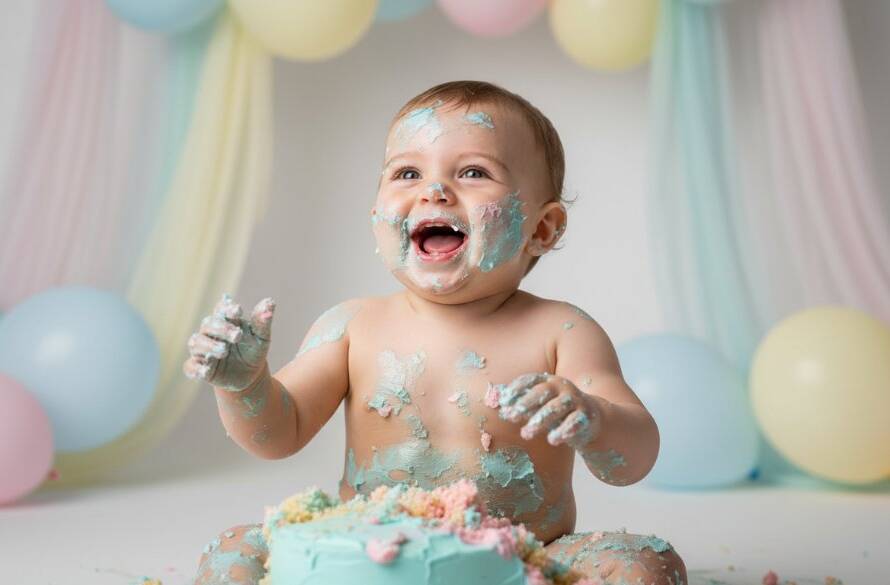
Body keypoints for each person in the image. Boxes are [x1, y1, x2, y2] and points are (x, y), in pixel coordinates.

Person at [183, 80, 687, 585]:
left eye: (473, 172)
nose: (434, 190)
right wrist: (244, 385)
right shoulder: (352, 325)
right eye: (407, 172)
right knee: (233, 551)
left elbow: (633, 461)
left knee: (643, 562)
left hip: (521, 561)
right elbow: (278, 434)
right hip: (364, 559)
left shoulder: (562, 331)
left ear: (543, 228)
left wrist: (593, 417)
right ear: (377, 217)